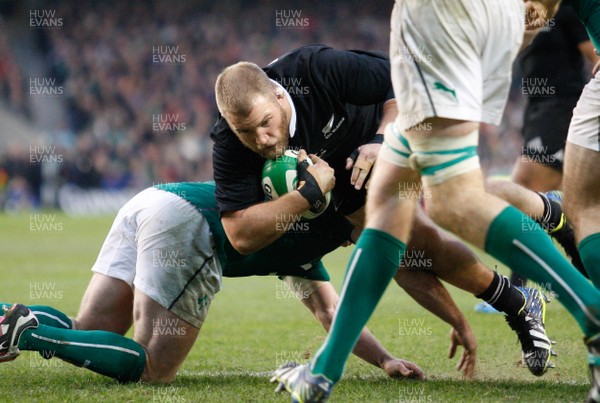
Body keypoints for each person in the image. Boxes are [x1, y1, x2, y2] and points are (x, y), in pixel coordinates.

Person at [271, 2, 600, 402]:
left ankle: (591, 309)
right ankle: (322, 375)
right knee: (389, 197)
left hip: (440, 14)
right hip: (468, 17)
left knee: (452, 200)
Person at [212, 44, 552, 380]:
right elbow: (240, 235)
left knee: (430, 222)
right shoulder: (229, 139)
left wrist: (381, 138)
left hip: (392, 124)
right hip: (340, 175)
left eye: (266, 122)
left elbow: (404, 81)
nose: (262, 139)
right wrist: (309, 194)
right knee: (395, 253)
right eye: (246, 132)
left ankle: (545, 222)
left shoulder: (315, 70)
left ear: (279, 96)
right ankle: (518, 301)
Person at [0, 181, 431, 383]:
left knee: (88, 329)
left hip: (153, 200)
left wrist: (385, 360)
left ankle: (8, 318)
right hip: (187, 223)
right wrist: (387, 360)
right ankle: (30, 335)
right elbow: (332, 310)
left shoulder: (305, 232)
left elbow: (329, 311)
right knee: (152, 368)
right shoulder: (319, 231)